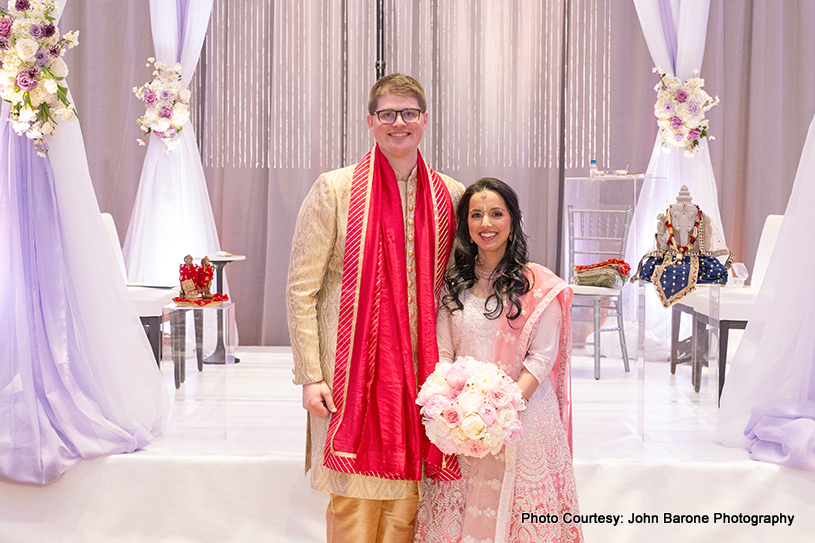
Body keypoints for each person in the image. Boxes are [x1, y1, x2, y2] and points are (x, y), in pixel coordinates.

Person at [286, 73, 465, 542]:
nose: (398, 123)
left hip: (419, 380)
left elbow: (466, 285)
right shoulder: (335, 190)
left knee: (409, 505)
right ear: (370, 122)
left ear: (425, 120)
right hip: (347, 378)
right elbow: (300, 289)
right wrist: (310, 375)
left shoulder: (451, 195)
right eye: (388, 114)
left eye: (408, 113)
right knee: (352, 504)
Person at [415, 178, 583, 542]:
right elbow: (444, 354)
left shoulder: (538, 285)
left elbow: (541, 358)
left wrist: (502, 411)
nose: (486, 224)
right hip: (462, 427)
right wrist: (453, 411)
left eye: (496, 214)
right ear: (466, 225)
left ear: (512, 220)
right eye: (476, 215)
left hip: (523, 423)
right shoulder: (453, 285)